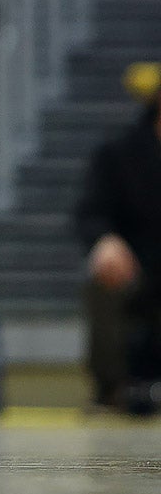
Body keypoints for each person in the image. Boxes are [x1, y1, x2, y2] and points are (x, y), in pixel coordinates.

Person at [75, 90, 161, 412]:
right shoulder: (120, 154)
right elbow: (90, 212)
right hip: (136, 269)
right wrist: (106, 240)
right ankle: (112, 390)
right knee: (103, 275)